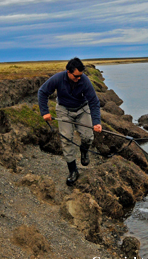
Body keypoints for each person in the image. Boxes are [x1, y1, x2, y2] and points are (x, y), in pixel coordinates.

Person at [38, 57, 102, 185]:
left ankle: (84, 152)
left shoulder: (84, 81)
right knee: (66, 139)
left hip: (82, 109)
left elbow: (94, 102)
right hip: (64, 110)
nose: (79, 78)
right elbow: (42, 92)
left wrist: (96, 122)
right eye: (76, 76)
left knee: (88, 137)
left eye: (80, 76)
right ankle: (73, 171)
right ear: (68, 72)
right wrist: (45, 112)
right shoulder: (58, 78)